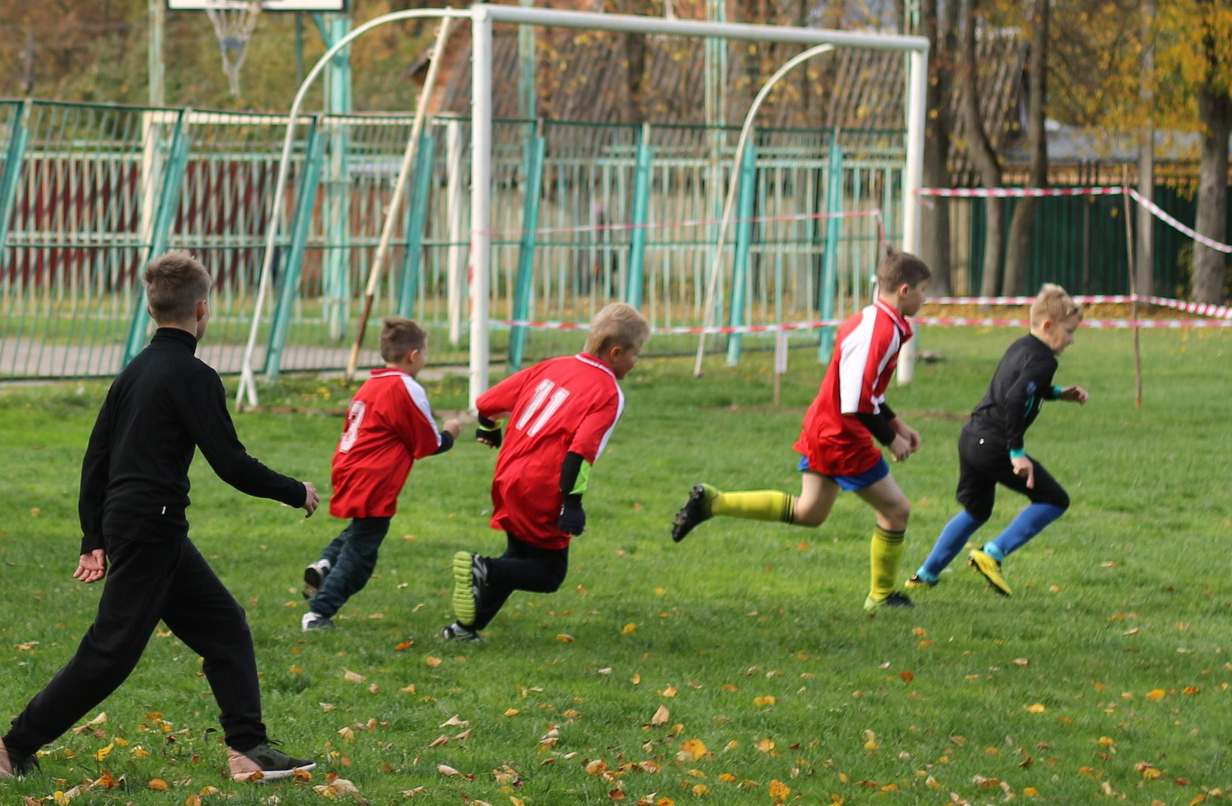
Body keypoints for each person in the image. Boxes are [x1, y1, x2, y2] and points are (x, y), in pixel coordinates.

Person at [0, 250, 320, 784]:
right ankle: (11, 746)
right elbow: (230, 462)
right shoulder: (193, 375)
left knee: (225, 627)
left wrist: (94, 534)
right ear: (203, 309)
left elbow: (97, 459)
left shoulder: (133, 372)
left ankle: (248, 749)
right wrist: (294, 490)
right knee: (110, 653)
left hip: (142, 525)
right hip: (151, 528)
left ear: (149, 307)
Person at [668, 249, 930, 613]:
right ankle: (882, 596)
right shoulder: (879, 330)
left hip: (827, 426)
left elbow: (865, 389)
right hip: (842, 435)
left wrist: (896, 421)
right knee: (897, 510)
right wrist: (891, 439)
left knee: (810, 513)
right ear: (904, 290)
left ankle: (713, 501)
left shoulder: (873, 320)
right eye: (922, 290)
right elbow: (856, 399)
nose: (924, 298)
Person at [443, 302, 651, 643]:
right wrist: (572, 504)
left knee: (519, 558)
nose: (636, 361)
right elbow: (579, 453)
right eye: (635, 354)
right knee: (548, 573)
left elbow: (489, 401)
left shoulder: (552, 366)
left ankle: (464, 630)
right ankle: (483, 568)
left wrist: (488, 427)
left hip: (509, 476)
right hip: (544, 485)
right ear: (615, 353)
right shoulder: (608, 392)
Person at [910, 283, 1087, 595]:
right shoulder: (1045, 360)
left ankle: (925, 575)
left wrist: (1059, 393)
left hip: (971, 438)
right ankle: (992, 553)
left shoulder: (1021, 346)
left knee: (977, 511)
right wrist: (1016, 452)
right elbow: (1016, 398)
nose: (1072, 340)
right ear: (1048, 326)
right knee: (1054, 499)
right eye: (1070, 332)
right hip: (995, 444)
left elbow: (1024, 386)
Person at [300, 318, 458, 632]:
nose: (425, 359)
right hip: (374, 476)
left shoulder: (372, 383)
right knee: (361, 557)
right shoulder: (406, 387)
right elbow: (427, 442)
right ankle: (317, 614)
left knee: (362, 529)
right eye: (425, 353)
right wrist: (450, 433)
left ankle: (326, 563)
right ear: (413, 355)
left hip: (348, 467)